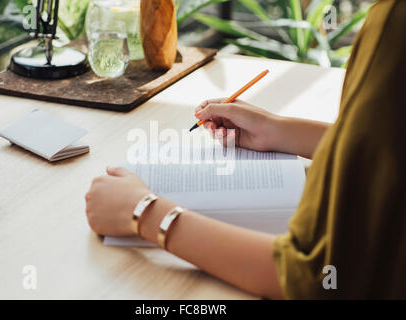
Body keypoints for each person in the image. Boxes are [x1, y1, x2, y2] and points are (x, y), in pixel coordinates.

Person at [84, 0, 406, 299]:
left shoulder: (394, 24)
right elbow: (389, 149)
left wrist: (146, 213)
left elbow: (315, 275)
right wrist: (278, 131)